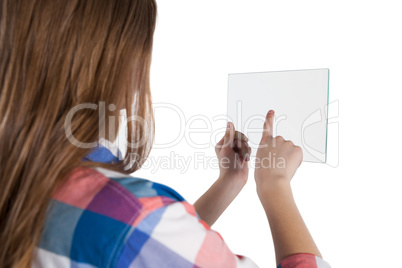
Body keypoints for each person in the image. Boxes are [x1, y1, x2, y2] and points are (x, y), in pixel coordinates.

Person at [0, 0, 331, 267]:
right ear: (107, 62)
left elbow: (135, 253)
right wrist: (275, 187)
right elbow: (136, 237)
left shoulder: (22, 181)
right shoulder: (130, 218)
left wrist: (227, 185)